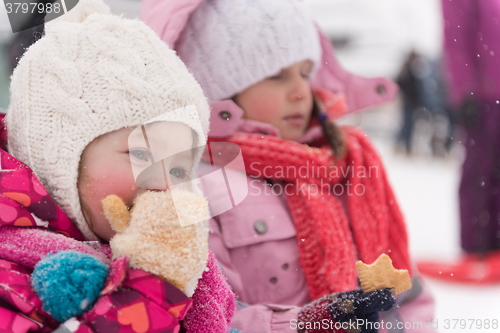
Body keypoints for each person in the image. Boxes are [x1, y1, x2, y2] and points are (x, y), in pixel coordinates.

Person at [141, 0, 436, 332]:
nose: (300, 92)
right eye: (277, 75)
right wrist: (305, 324)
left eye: (306, 73)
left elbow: (408, 298)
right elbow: (203, 314)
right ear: (217, 87)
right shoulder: (191, 185)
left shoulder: (344, 167)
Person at [0, 0, 234, 331]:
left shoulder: (190, 269)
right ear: (56, 165)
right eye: (140, 154)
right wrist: (153, 288)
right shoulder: (10, 274)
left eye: (180, 170)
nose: (165, 184)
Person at [417, 0, 500, 283]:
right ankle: (479, 245)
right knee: (482, 169)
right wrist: (465, 91)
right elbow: (456, 37)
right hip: (485, 95)